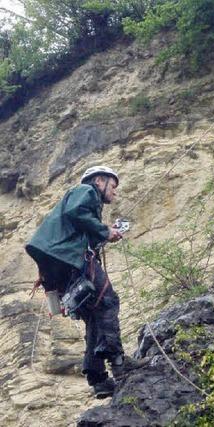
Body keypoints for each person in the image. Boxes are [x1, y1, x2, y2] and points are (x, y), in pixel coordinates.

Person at [25, 166, 129, 399]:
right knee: (109, 301)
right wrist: (104, 230)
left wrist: (104, 234)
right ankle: (120, 364)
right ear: (99, 180)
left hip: (56, 267)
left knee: (93, 315)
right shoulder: (87, 191)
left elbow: (81, 227)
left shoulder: (81, 206)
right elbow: (77, 210)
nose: (115, 192)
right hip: (67, 258)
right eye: (113, 186)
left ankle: (98, 379)